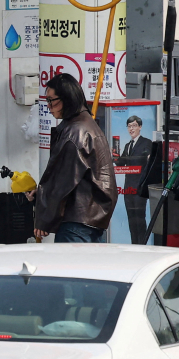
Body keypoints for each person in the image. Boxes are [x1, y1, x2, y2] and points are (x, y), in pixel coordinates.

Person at [27, 74, 117, 243]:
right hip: (89, 218)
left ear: (67, 98)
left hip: (76, 221)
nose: (49, 106)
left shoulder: (75, 132)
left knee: (70, 268)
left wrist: (44, 219)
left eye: (51, 100)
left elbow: (63, 180)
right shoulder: (86, 124)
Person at [118, 114, 154, 244]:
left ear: (140, 127)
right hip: (128, 189)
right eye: (129, 126)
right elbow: (120, 163)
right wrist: (113, 155)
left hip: (139, 187)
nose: (131, 129)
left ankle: (142, 244)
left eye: (134, 126)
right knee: (131, 218)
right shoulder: (128, 145)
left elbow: (146, 159)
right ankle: (135, 244)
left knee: (140, 217)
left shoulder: (146, 143)